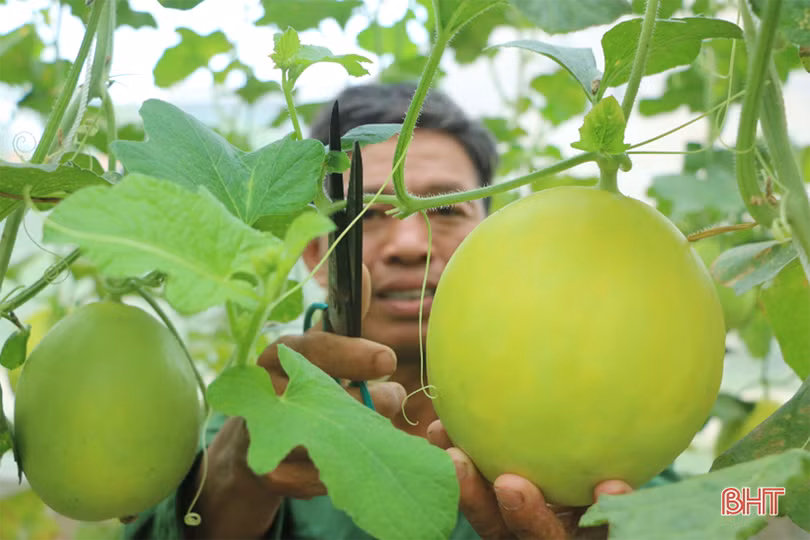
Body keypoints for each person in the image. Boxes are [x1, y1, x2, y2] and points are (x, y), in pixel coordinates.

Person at [122, 82, 647, 540]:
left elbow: (722, 506)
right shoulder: (259, 409)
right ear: (315, 252)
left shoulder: (590, 405)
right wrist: (228, 486)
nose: (411, 243)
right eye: (367, 213)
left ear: (495, 237)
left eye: (444, 209)